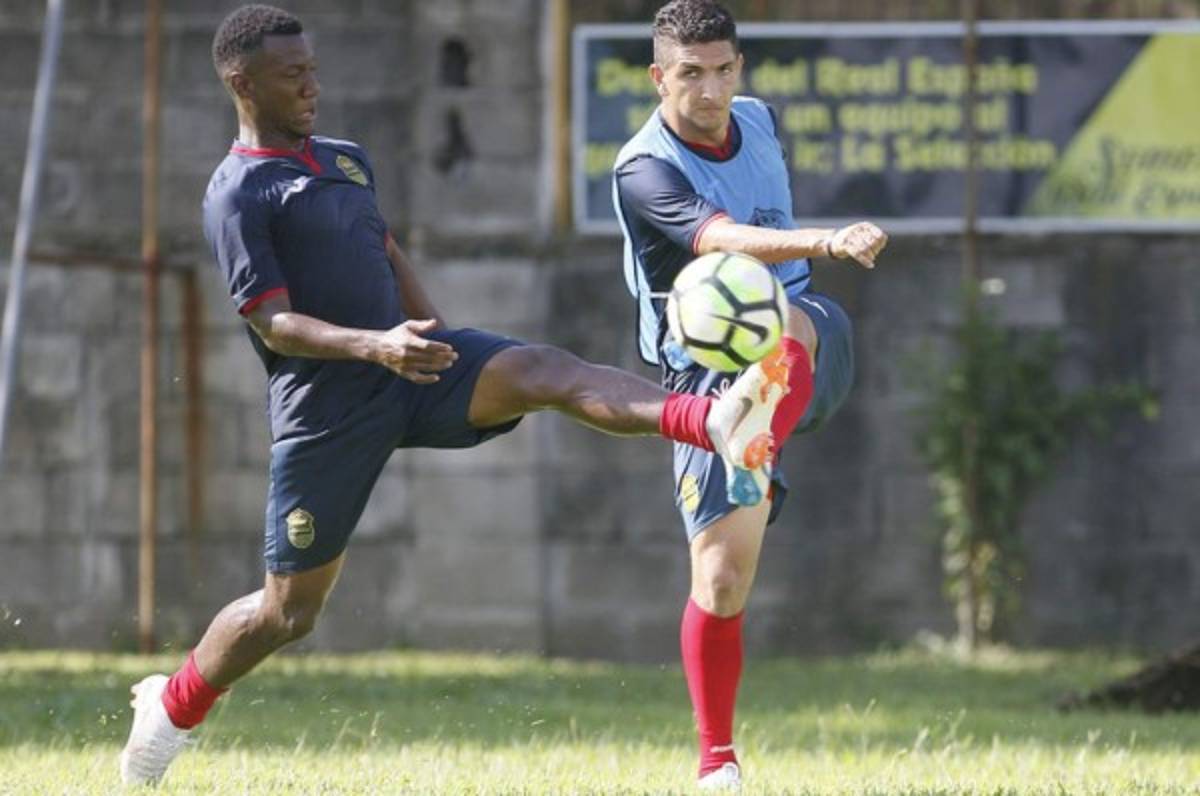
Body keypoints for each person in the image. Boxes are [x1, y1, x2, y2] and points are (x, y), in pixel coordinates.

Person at [118, 4, 790, 786]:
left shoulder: (344, 160)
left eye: (313, 68)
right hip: (328, 413)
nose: (312, 85)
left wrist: (435, 328)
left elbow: (383, 246)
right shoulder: (237, 193)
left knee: (542, 370)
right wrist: (377, 345)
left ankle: (710, 420)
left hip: (417, 366)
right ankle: (171, 705)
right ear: (241, 81)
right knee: (288, 614)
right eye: (291, 74)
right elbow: (274, 324)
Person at [612, 1, 888, 789]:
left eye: (723, 69)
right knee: (722, 581)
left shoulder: (758, 120)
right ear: (659, 77)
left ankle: (756, 417)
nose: (709, 90)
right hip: (701, 371)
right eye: (690, 74)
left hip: (806, 333)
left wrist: (806, 265)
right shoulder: (644, 167)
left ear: (740, 68)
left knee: (788, 317)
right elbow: (721, 236)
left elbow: (764, 263)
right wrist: (827, 239)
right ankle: (717, 763)